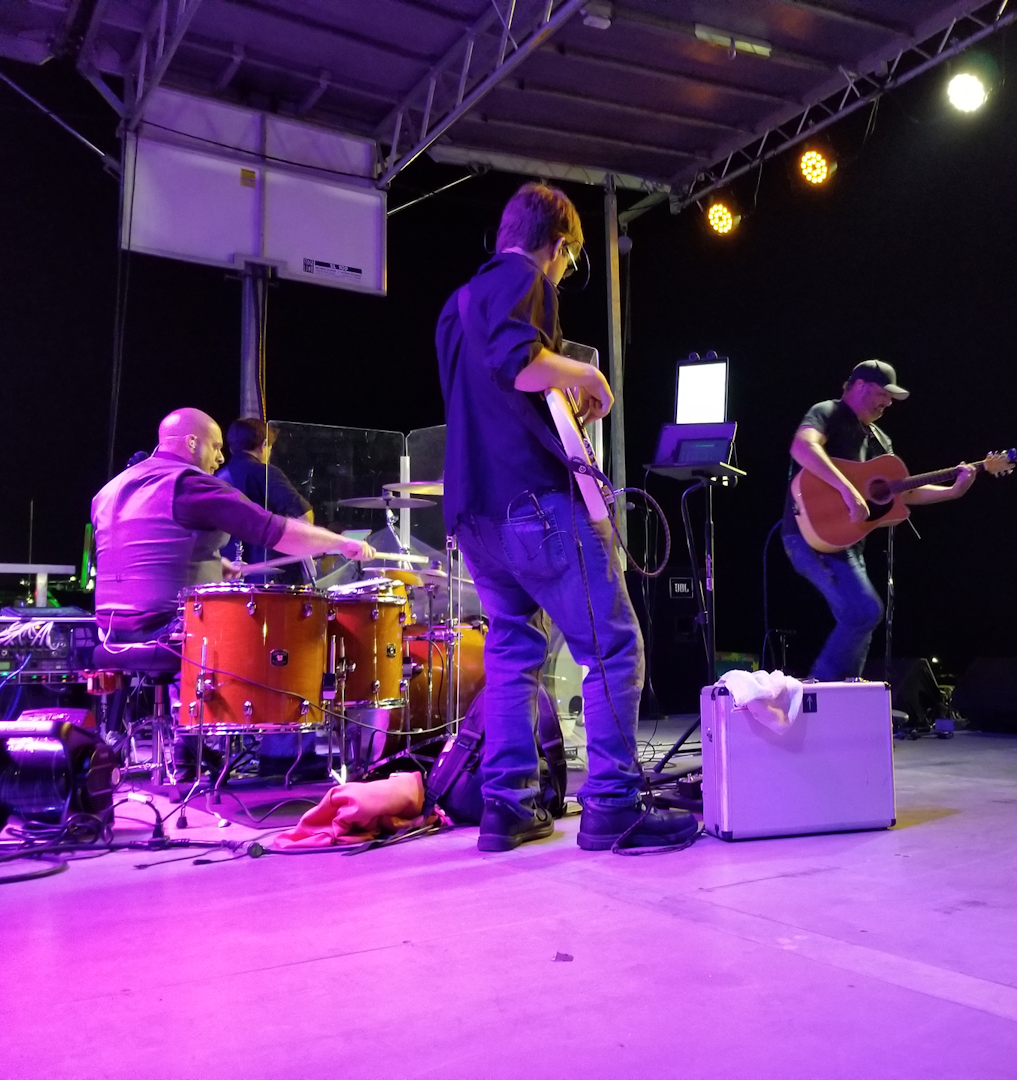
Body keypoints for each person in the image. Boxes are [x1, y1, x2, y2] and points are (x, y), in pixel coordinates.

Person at [436, 182, 697, 854]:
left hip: (474, 512)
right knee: (612, 646)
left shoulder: (456, 305)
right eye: (567, 260)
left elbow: (495, 389)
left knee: (513, 652)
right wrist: (587, 378)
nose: (561, 271)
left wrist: (560, 393)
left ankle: (508, 806)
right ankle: (611, 805)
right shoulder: (525, 277)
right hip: (532, 503)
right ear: (557, 246)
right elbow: (518, 362)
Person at [92, 408, 374, 643]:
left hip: (109, 632)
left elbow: (138, 550)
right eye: (215, 447)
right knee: (275, 642)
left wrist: (213, 566)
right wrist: (341, 543)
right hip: (167, 629)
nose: (220, 457)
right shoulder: (190, 484)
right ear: (192, 443)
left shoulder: (108, 490)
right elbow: (275, 530)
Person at [781, 360, 976, 681]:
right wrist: (846, 489)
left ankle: (845, 692)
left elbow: (903, 492)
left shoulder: (880, 441)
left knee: (861, 617)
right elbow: (803, 446)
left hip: (845, 542)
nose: (887, 403)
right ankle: (822, 691)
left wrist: (952, 492)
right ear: (858, 385)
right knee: (865, 612)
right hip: (808, 535)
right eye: (883, 394)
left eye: (890, 399)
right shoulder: (828, 412)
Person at [216, 417, 314, 582]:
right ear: (264, 445)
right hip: (268, 578)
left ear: (232, 448)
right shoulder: (265, 472)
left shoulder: (217, 477)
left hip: (225, 576)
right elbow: (305, 517)